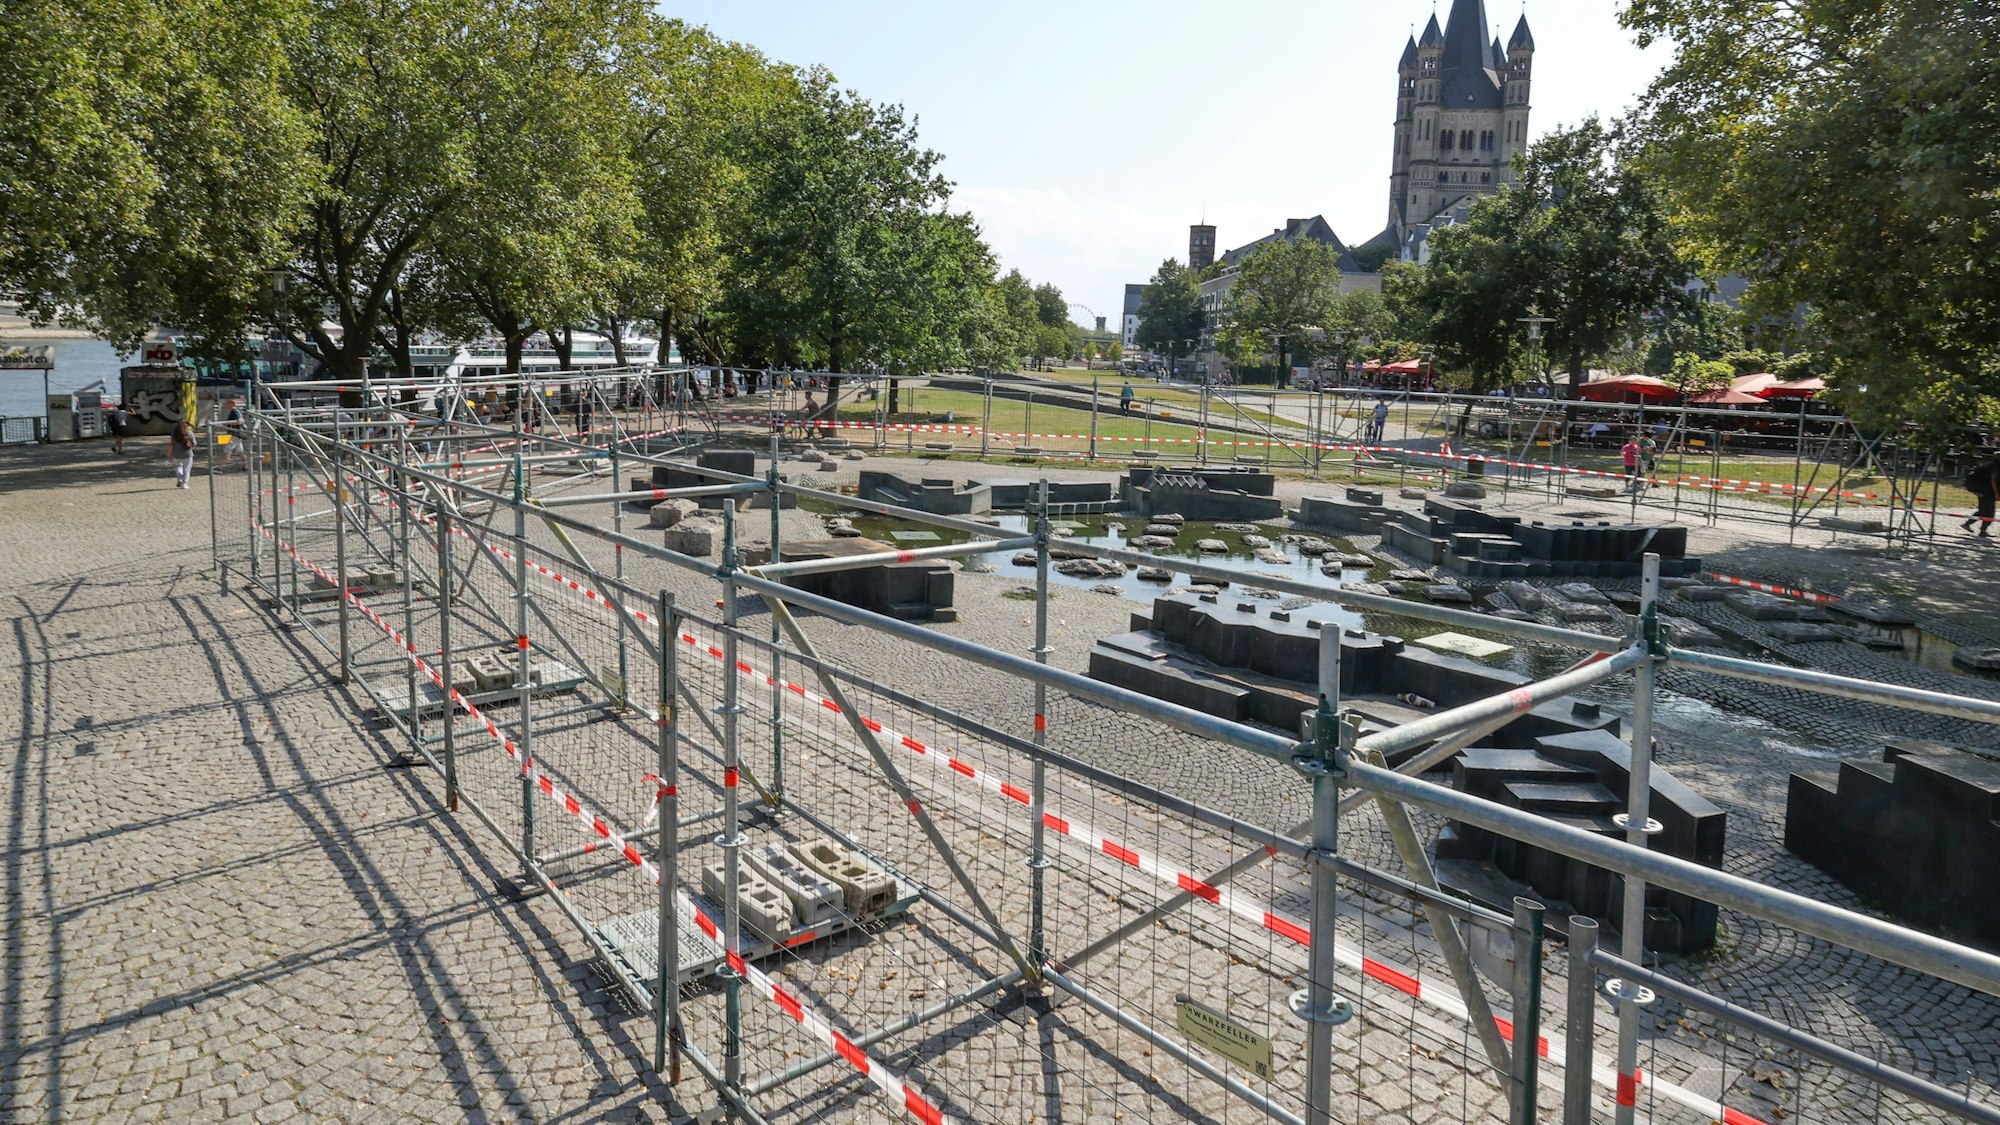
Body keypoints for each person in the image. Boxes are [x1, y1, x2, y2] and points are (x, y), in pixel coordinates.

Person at [1963, 453, 2000, 538]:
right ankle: (1982, 531)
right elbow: (1993, 479)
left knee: (1983, 511)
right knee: (1990, 513)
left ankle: (1968, 524)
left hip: (1980, 490)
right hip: (1987, 492)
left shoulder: (1988, 465)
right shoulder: (1996, 467)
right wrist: (1997, 493)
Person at [169, 419, 196, 489]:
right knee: (186, 469)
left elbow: (171, 444)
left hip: (176, 454)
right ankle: (185, 483)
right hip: (187, 454)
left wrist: (169, 453)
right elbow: (194, 443)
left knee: (178, 467)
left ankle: (180, 478)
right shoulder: (189, 433)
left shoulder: (174, 434)